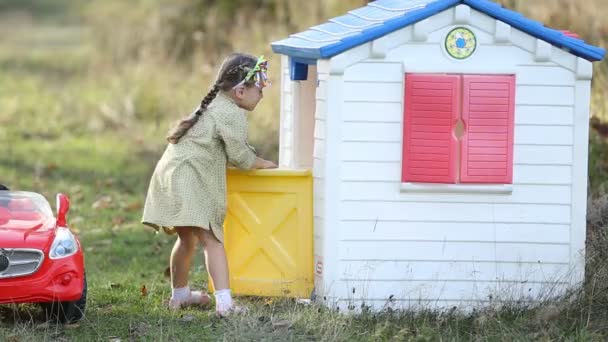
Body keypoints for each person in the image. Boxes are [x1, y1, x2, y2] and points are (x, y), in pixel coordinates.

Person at [141, 53, 277, 316]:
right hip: (189, 178)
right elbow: (240, 157)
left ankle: (180, 296)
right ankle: (225, 305)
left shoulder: (214, 104)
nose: (261, 94)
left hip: (171, 174)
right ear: (240, 91)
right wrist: (264, 163)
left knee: (186, 239)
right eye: (258, 89)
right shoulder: (231, 114)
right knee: (212, 240)